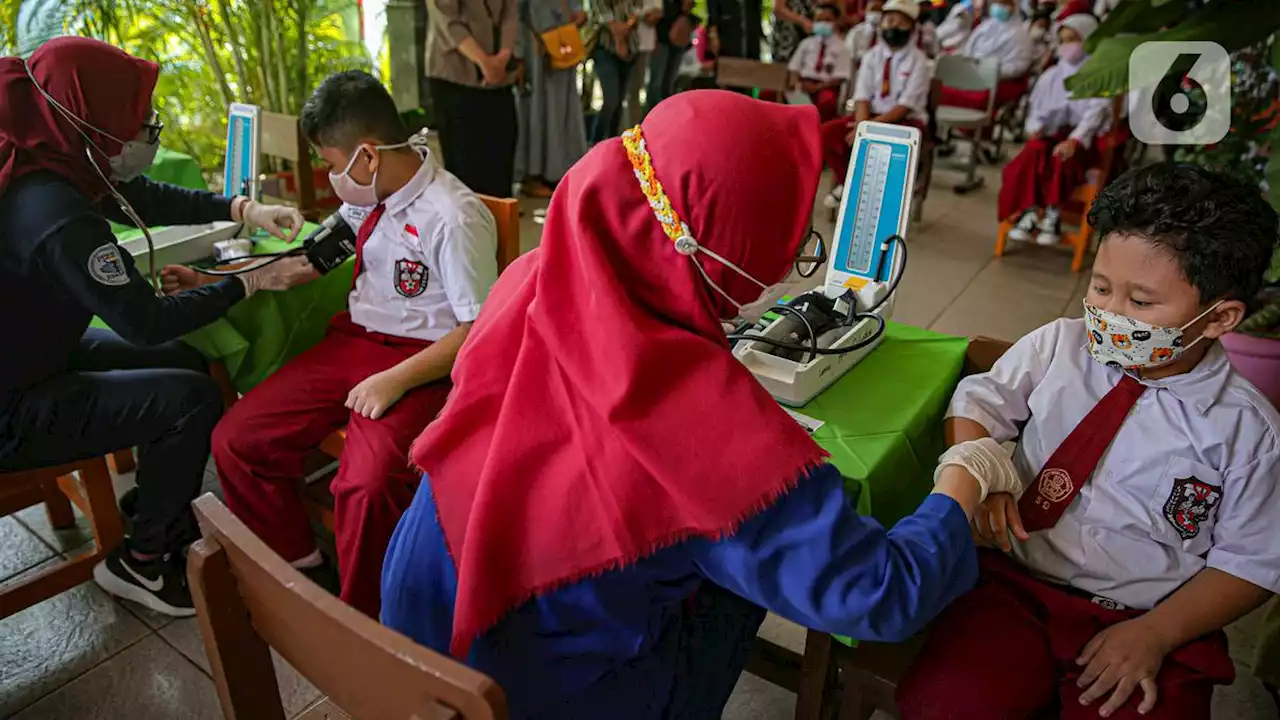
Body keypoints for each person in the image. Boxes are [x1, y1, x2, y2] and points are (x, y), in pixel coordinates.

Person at [379, 90, 1013, 719]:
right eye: (788, 244)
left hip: (417, 645)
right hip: (538, 697)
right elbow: (884, 593)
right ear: (715, 248)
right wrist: (966, 470)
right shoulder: (696, 424)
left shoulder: (531, 278)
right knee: (740, 569)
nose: (791, 267)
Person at [897, 163, 1280, 720]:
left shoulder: (1248, 432)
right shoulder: (1059, 346)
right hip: (1016, 588)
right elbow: (979, 403)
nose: (1108, 313)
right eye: (1100, 287)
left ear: (1219, 317)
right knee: (945, 703)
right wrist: (983, 471)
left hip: (1152, 618)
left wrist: (1156, 633)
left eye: (1141, 303)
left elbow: (1251, 563)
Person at [0, 37, 315, 617]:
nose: (150, 129)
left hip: (36, 354)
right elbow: (143, 321)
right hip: (13, 404)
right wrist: (251, 281)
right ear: (85, 119)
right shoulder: (56, 214)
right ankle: (142, 562)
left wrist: (240, 210)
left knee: (186, 358)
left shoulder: (47, 157)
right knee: (192, 398)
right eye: (140, 120)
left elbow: (140, 195)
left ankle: (156, 503)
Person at [211, 71, 499, 619]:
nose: (328, 175)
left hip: (425, 360)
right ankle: (297, 560)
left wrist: (396, 379)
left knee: (367, 484)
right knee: (238, 438)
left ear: (366, 157)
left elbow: (479, 330)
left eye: (329, 163)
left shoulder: (454, 217)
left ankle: (366, 615)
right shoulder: (370, 196)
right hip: (356, 343)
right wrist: (233, 281)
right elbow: (311, 259)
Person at [998, 13, 1109, 245]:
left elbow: (1095, 115)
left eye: (1074, 39)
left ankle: (1053, 213)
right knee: (1033, 150)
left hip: (1080, 142)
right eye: (1064, 40)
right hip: (1052, 136)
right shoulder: (1052, 75)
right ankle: (1028, 211)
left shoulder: (1099, 76)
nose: (1068, 46)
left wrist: (1074, 140)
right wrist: (1035, 128)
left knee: (1062, 155)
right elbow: (1036, 111)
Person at [820, 0, 930, 207]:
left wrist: (869, 129)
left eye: (900, 22)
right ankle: (851, 185)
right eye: (889, 20)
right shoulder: (872, 56)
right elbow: (862, 96)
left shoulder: (919, 61)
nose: (893, 26)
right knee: (828, 134)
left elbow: (904, 106)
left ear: (912, 28)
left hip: (905, 121)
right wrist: (863, 126)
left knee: (883, 146)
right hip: (869, 116)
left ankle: (879, 199)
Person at [425, 0, 518, 196]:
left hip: (499, 77)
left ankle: (500, 222)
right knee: (465, 167)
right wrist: (484, 62)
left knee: (501, 160)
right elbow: (448, 20)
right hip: (454, 76)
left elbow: (510, 12)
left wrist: (503, 56)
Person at [515, 0, 590, 198]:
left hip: (563, 39)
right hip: (536, 45)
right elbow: (516, 13)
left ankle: (559, 169)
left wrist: (578, 15)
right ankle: (533, 174)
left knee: (563, 108)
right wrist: (520, 51)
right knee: (538, 107)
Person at [939, 0, 1033, 110]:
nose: (999, 7)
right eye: (998, 3)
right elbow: (970, 48)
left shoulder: (1019, 35)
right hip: (973, 72)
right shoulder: (985, 26)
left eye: (1004, 4)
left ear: (1013, 7)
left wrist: (989, 70)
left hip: (997, 79)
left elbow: (1018, 66)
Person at [587, 0, 645, 142]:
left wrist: (628, 26)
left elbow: (638, 8)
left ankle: (614, 144)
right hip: (604, 46)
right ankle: (595, 143)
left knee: (619, 101)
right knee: (610, 100)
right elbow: (601, 12)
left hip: (630, 46)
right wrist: (617, 32)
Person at [787, 2, 852, 121]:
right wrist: (797, 84)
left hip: (825, 87)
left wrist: (817, 87)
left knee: (827, 101)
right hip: (804, 84)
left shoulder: (842, 47)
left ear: (836, 22)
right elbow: (794, 68)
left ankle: (821, 132)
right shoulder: (806, 43)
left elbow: (840, 78)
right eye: (819, 20)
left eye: (827, 20)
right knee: (792, 100)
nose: (822, 23)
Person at [646, 0, 699, 113]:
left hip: (677, 41)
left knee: (669, 83)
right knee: (656, 83)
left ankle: (667, 116)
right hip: (660, 38)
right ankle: (651, 118)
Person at [625, 0, 664, 126]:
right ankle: (629, 126)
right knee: (630, 90)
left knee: (641, 87)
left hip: (645, 45)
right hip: (624, 44)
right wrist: (642, 14)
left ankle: (639, 126)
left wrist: (638, 15)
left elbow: (656, 14)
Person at [845, 0, 884, 69]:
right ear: (866, 11)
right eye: (873, 9)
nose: (875, 13)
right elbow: (849, 58)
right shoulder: (856, 32)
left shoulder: (889, 34)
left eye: (879, 10)